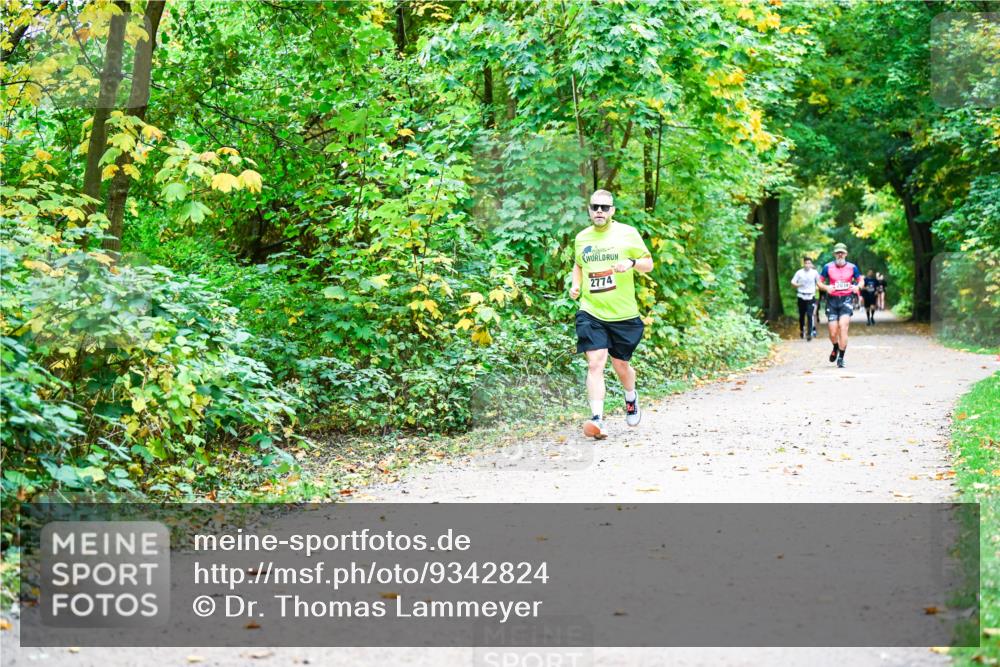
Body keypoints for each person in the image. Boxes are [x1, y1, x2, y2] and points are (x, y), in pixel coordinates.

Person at [570, 189, 654, 440]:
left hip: (623, 314)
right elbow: (578, 265)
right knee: (595, 363)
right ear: (589, 209)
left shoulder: (627, 233)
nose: (599, 211)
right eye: (595, 206)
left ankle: (630, 397)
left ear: (612, 211)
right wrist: (575, 285)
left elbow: (648, 264)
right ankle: (597, 419)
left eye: (604, 208)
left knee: (621, 366)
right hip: (591, 311)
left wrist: (630, 263)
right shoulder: (582, 238)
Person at [818, 243, 862, 368]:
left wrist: (857, 286)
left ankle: (841, 358)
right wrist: (826, 287)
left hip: (846, 300)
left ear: (846, 254)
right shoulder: (827, 267)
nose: (840, 254)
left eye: (842, 252)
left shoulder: (853, 267)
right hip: (832, 301)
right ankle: (836, 347)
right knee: (832, 333)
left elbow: (861, 280)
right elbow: (819, 282)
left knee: (843, 327)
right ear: (834, 254)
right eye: (838, 252)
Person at [791, 256, 820, 341]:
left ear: (811, 264)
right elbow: (792, 282)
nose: (807, 265)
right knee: (802, 315)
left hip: (811, 296)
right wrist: (798, 285)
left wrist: (818, 287)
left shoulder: (814, 273)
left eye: (809, 263)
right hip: (801, 296)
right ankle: (801, 329)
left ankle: (809, 334)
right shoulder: (799, 273)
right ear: (803, 264)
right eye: (806, 263)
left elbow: (819, 282)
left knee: (810, 314)